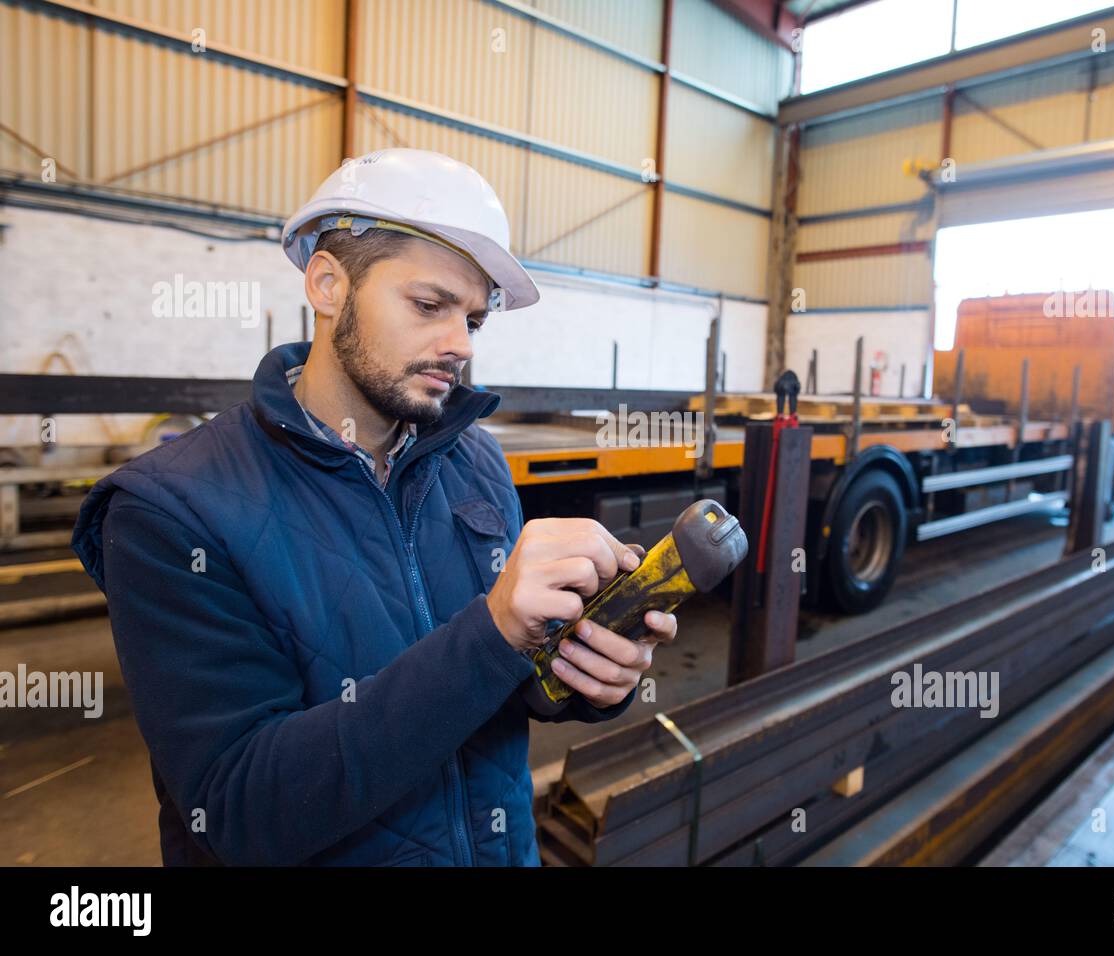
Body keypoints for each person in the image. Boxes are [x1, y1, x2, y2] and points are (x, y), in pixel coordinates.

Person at [72, 148, 675, 866]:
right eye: (428, 305)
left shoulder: (475, 462)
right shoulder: (173, 512)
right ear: (328, 284)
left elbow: (497, 688)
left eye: (474, 322)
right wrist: (491, 633)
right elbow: (237, 811)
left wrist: (582, 678)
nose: (458, 345)